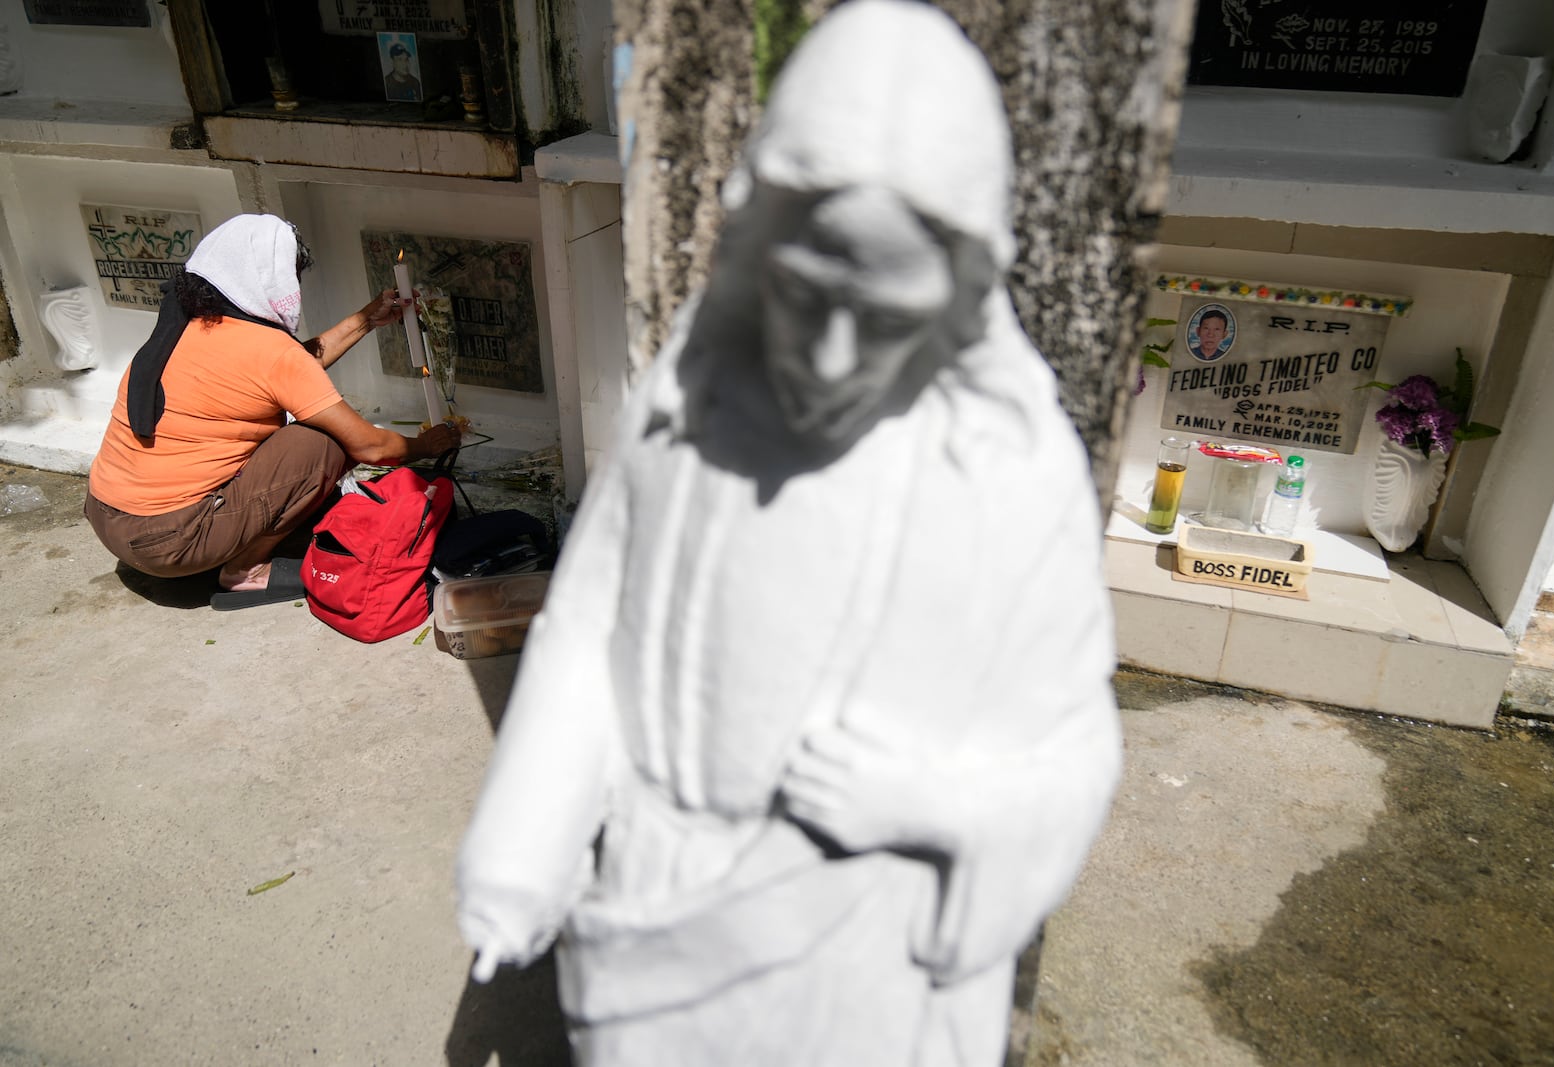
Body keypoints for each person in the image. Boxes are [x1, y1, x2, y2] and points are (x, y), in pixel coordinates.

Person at [454, 2, 1122, 1064]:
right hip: (661, 930)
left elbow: (1073, 749)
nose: (830, 354)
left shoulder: (1006, 468)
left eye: (886, 315)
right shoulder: (689, 407)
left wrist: (933, 803)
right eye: (806, 297)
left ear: (958, 294)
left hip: (872, 959)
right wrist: (524, 837)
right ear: (759, 242)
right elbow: (588, 628)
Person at [84, 213, 460, 609]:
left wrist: (365, 320)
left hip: (109, 522)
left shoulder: (187, 326)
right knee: (324, 443)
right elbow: (370, 448)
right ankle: (245, 569)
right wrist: (424, 446)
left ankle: (228, 542)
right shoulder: (268, 350)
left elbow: (292, 369)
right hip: (171, 544)